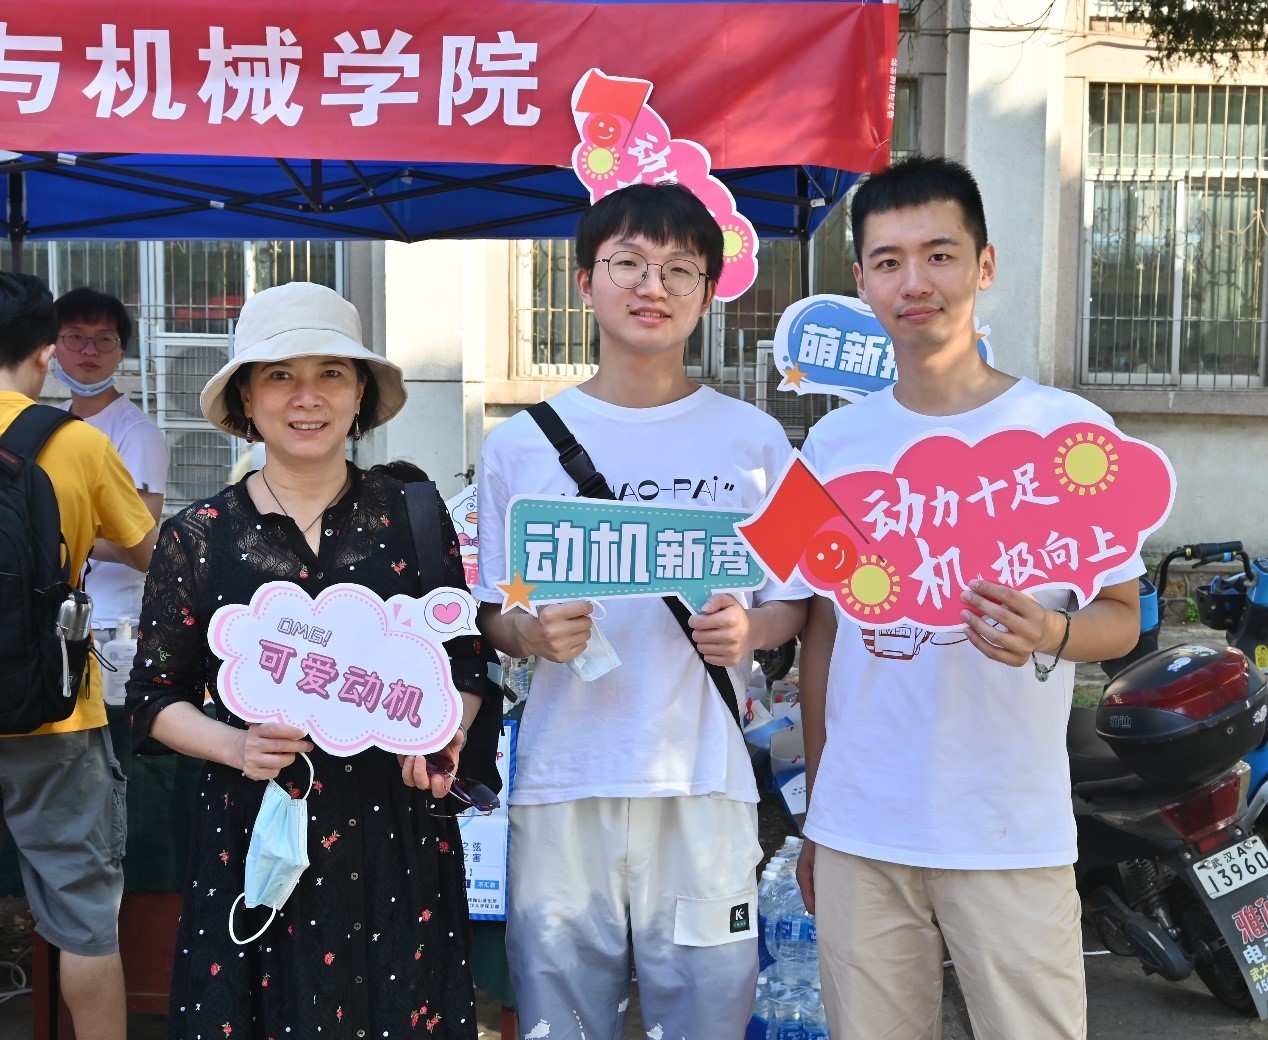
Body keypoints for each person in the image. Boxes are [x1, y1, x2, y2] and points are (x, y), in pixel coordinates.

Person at [794, 155, 1142, 1040]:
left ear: (984, 265)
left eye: (940, 255)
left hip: (1008, 831)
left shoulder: (1072, 432)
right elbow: (823, 634)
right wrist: (819, 812)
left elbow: (1121, 618)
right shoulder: (833, 445)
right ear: (863, 281)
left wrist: (1052, 629)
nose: (915, 282)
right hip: (862, 831)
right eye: (889, 261)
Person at [475, 183, 809, 1039]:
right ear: (585, 282)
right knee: (559, 1016)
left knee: (708, 1011)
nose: (652, 287)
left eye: (679, 269)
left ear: (708, 292)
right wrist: (529, 633)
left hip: (704, 781)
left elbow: (793, 603)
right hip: (564, 778)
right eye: (628, 263)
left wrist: (752, 630)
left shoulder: (758, 442)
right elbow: (492, 612)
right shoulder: (517, 444)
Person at [125, 281, 495, 1040]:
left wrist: (444, 733)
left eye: (331, 373)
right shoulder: (199, 536)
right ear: (247, 399)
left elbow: (462, 667)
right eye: (279, 375)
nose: (307, 397)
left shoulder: (415, 519)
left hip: (394, 837)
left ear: (359, 394)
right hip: (256, 833)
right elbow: (153, 696)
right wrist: (236, 746)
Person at [0, 272, 159, 1040]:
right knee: (84, 919)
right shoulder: (79, 443)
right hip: (55, 710)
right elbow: (149, 551)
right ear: (44, 354)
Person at [53, 287, 168, 639]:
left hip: (110, 624)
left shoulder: (137, 433)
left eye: (104, 339)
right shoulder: (50, 422)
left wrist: (51, 532)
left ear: (121, 352)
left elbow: (142, 539)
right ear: (52, 345)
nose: (89, 350)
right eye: (75, 337)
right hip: (52, 612)